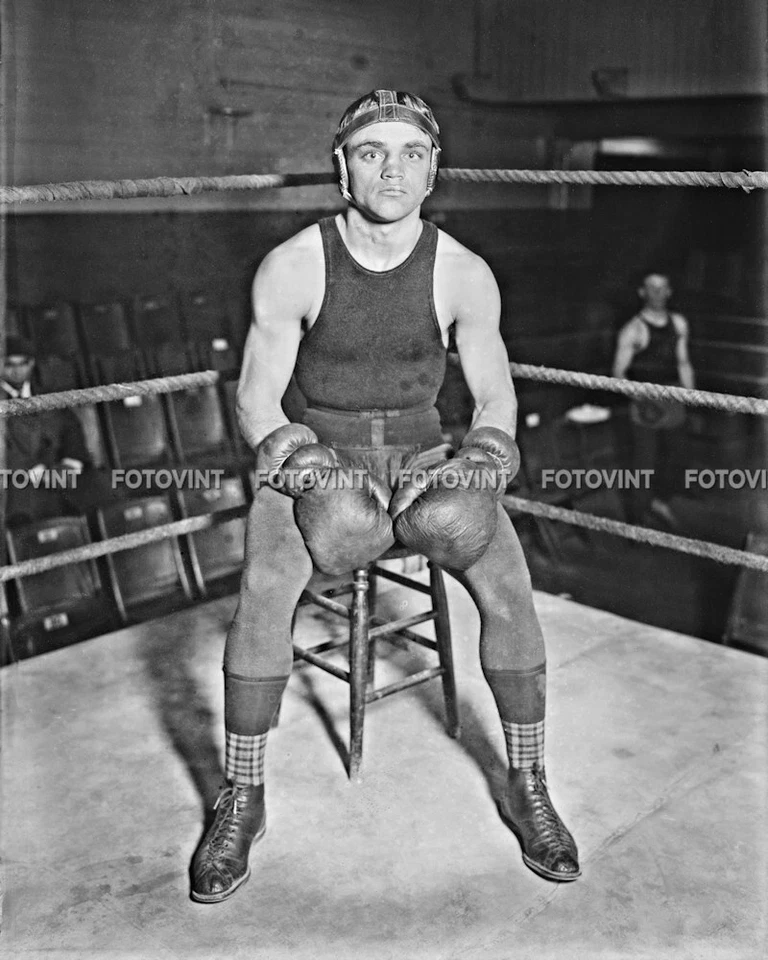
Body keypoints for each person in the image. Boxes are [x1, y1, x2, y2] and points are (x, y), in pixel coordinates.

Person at [190, 90, 580, 903]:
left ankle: (529, 782)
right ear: (342, 167)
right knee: (262, 593)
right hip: (319, 447)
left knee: (510, 590)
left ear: (434, 169)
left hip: (423, 449)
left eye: (410, 152)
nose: (391, 168)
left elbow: (497, 398)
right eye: (372, 151)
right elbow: (256, 400)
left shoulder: (463, 273)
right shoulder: (295, 263)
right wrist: (304, 469)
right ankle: (243, 794)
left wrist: (482, 459)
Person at [612, 272, 695, 527]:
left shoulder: (678, 323)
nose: (658, 294)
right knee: (643, 464)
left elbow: (683, 362)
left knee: (675, 457)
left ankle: (660, 502)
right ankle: (637, 521)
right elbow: (618, 373)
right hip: (645, 401)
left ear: (669, 291)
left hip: (672, 399)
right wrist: (642, 401)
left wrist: (694, 397)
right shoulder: (633, 330)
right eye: (652, 288)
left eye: (662, 288)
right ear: (642, 292)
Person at [1, 334, 102, 525]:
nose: (16, 370)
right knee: (27, 517)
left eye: (22, 363)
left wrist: (70, 464)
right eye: (9, 364)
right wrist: (36, 472)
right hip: (18, 481)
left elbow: (71, 428)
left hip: (58, 474)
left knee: (101, 497)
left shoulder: (46, 394)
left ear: (31, 364)